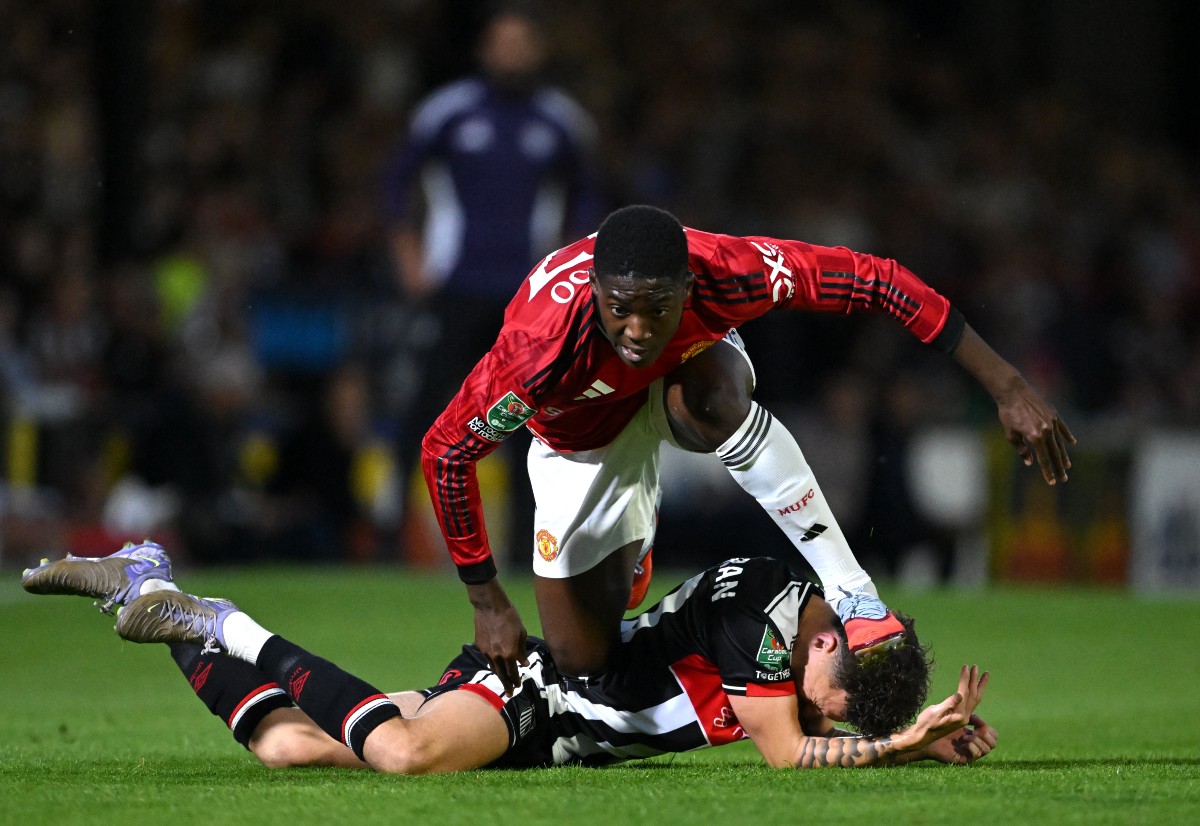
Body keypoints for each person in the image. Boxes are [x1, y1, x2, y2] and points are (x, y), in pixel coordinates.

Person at [422, 203, 1076, 691]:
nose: (638, 328)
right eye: (620, 308)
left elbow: (878, 280)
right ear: (596, 292)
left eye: (656, 306)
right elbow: (445, 452)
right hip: (583, 440)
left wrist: (1008, 385)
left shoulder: (732, 272)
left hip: (686, 385)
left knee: (715, 392)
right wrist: (487, 599)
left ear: (687, 287)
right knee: (582, 659)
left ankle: (855, 595)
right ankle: (636, 532)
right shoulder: (538, 351)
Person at [21, 542, 996, 772]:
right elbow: (786, 754)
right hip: (547, 693)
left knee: (289, 747)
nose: (821, 710)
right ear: (824, 641)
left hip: (557, 724)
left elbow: (806, 716)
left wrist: (908, 730)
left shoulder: (802, 627)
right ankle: (219, 622)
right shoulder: (763, 618)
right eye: (833, 696)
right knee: (400, 753)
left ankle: (150, 578)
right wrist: (902, 743)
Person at [383, 3, 602, 565]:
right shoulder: (448, 112)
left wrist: (574, 276)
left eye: (521, 42)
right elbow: (395, 185)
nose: (512, 53)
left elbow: (587, 201)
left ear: (538, 50)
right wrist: (408, 253)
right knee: (427, 414)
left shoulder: (561, 121)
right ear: (485, 49)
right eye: (502, 42)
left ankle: (528, 553)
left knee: (528, 422)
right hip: (453, 287)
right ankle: (390, 543)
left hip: (527, 299)